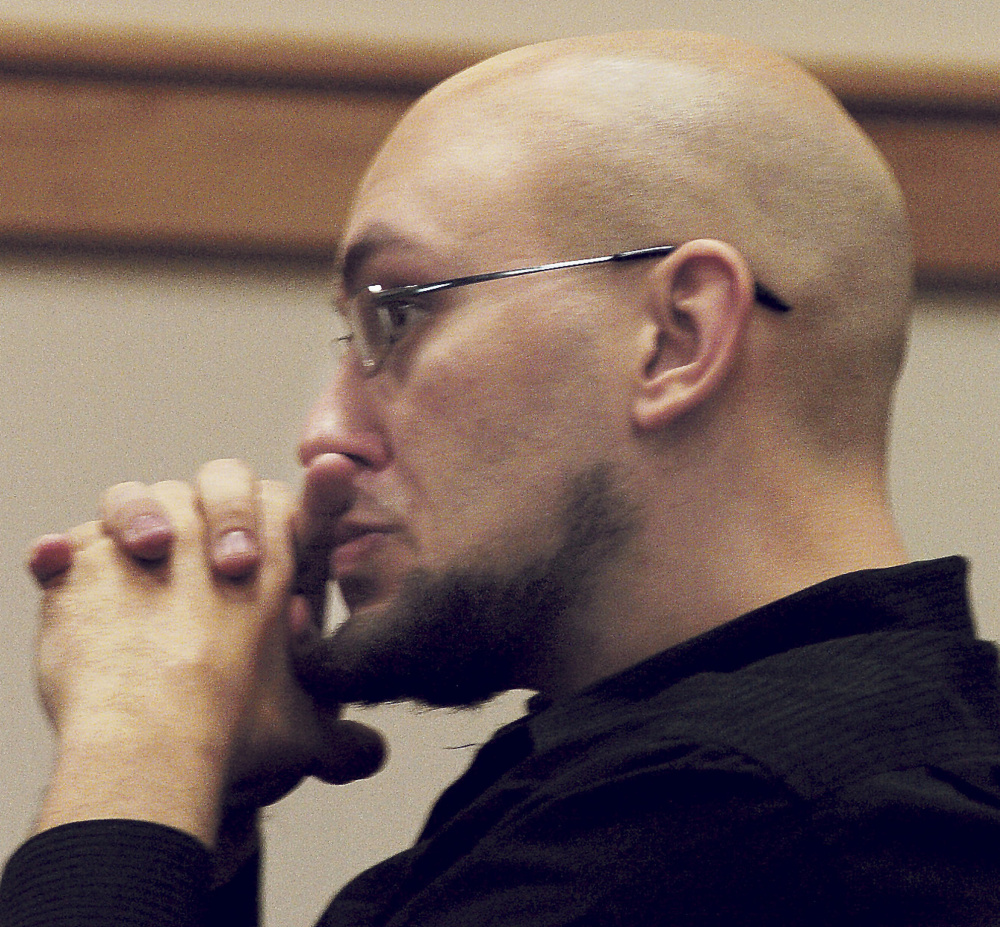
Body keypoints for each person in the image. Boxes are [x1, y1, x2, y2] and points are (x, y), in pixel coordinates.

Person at [2, 29, 999, 927]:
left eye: (398, 312)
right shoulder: (724, 792)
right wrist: (203, 808)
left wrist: (136, 742)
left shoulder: (744, 824)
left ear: (675, 337)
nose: (321, 439)